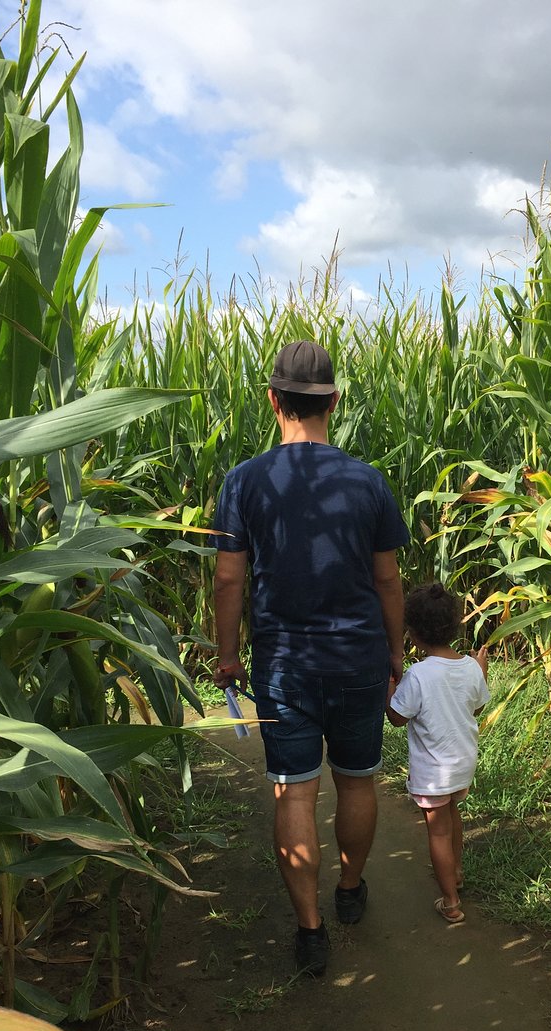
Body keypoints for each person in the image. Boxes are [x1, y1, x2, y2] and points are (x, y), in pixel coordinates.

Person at [211, 340, 408, 977]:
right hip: (357, 658)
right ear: (333, 401)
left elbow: (229, 580)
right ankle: (350, 889)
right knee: (356, 779)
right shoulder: (369, 481)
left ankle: (310, 930)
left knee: (293, 794)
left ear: (274, 400)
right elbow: (387, 582)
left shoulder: (243, 483)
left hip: (282, 665)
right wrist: (394, 655)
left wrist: (227, 655)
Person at [386, 583, 489, 923]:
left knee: (438, 830)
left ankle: (451, 901)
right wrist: (482, 671)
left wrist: (389, 689)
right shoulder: (471, 667)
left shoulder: (417, 675)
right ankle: (455, 871)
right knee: (453, 816)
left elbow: (398, 718)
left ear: (413, 634)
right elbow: (476, 705)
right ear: (456, 625)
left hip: (434, 772)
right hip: (463, 764)